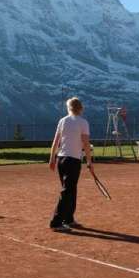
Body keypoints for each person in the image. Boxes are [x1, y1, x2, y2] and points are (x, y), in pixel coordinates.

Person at [49, 97, 93, 231]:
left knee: (70, 190)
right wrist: (89, 161)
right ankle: (56, 222)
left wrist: (52, 159)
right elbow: (86, 143)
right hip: (73, 161)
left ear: (69, 108)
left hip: (61, 160)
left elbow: (55, 142)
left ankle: (69, 219)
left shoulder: (62, 121)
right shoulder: (83, 122)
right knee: (68, 191)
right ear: (80, 108)